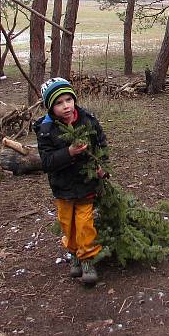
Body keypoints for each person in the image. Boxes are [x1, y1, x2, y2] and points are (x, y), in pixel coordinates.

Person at [34, 77, 108, 285]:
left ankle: (87, 259)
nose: (65, 106)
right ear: (50, 106)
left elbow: (100, 144)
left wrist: (102, 166)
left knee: (85, 222)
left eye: (68, 100)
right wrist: (69, 152)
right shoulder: (46, 130)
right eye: (58, 103)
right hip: (63, 187)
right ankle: (74, 253)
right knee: (67, 223)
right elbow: (47, 161)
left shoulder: (88, 120)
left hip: (86, 183)